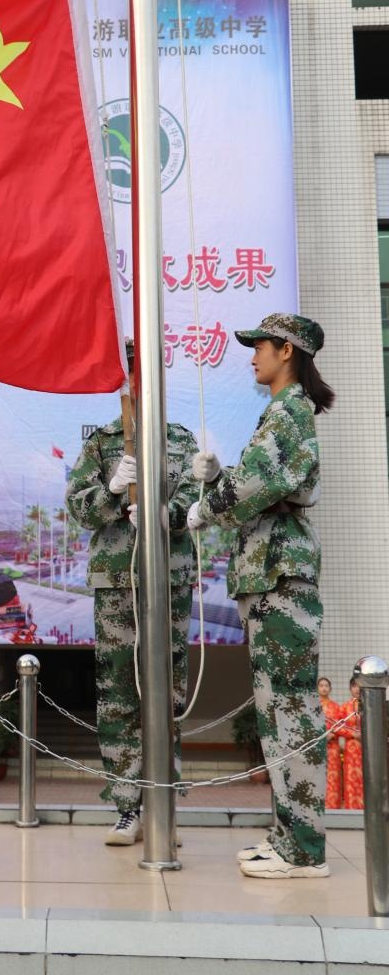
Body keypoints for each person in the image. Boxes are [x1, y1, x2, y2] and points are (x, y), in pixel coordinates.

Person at [188, 313, 334, 879]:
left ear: (287, 351)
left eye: (260, 348)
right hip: (270, 571)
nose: (253, 357)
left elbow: (257, 481)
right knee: (278, 713)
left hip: (278, 572)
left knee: (289, 711)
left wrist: (210, 503)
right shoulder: (286, 412)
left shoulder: (286, 410)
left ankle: (303, 850)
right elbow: (262, 477)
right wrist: (224, 477)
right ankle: (289, 836)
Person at [66, 339, 199, 845]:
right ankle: (127, 807)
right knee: (118, 692)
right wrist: (112, 491)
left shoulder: (179, 440)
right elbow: (79, 509)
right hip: (118, 578)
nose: (136, 377)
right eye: (129, 369)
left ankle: (162, 801)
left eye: (143, 367)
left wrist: (170, 511)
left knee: (169, 693)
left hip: (168, 576)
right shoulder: (103, 443)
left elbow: (195, 499)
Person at [318, 676, 343, 810]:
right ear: (317, 689)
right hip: (316, 749)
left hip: (332, 748)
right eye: (321, 685)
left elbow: (342, 726)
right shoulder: (313, 708)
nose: (324, 688)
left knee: (333, 779)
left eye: (326, 686)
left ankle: (333, 808)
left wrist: (332, 734)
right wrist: (321, 736)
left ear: (330, 689)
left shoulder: (336, 707)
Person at [338, 678, 363, 810]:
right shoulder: (344, 707)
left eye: (360, 686)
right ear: (350, 689)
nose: (357, 689)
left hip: (369, 748)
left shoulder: (371, 706)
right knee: (351, 779)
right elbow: (337, 727)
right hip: (352, 749)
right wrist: (352, 734)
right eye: (354, 686)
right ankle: (352, 810)